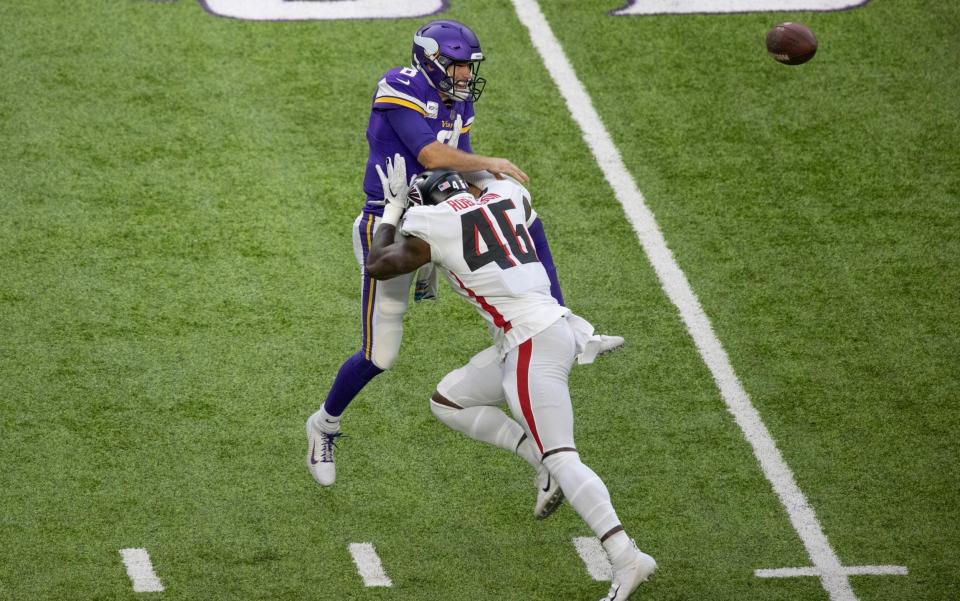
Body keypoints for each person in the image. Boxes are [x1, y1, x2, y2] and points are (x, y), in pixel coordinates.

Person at [306, 19, 622, 488]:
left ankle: (562, 320)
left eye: (466, 68)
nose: (463, 76)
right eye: (456, 67)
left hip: (446, 220)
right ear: (430, 61)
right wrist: (489, 165)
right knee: (381, 354)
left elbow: (465, 164)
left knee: (517, 236)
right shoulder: (400, 85)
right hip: (391, 225)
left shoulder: (459, 99)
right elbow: (431, 156)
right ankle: (323, 425)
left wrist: (499, 190)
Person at [363, 156, 656, 601]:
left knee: (563, 456)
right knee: (449, 401)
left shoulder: (433, 224)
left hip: (529, 343)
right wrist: (469, 165)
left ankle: (626, 556)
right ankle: (541, 464)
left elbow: (378, 264)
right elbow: (487, 179)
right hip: (543, 328)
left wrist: (392, 208)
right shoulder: (506, 195)